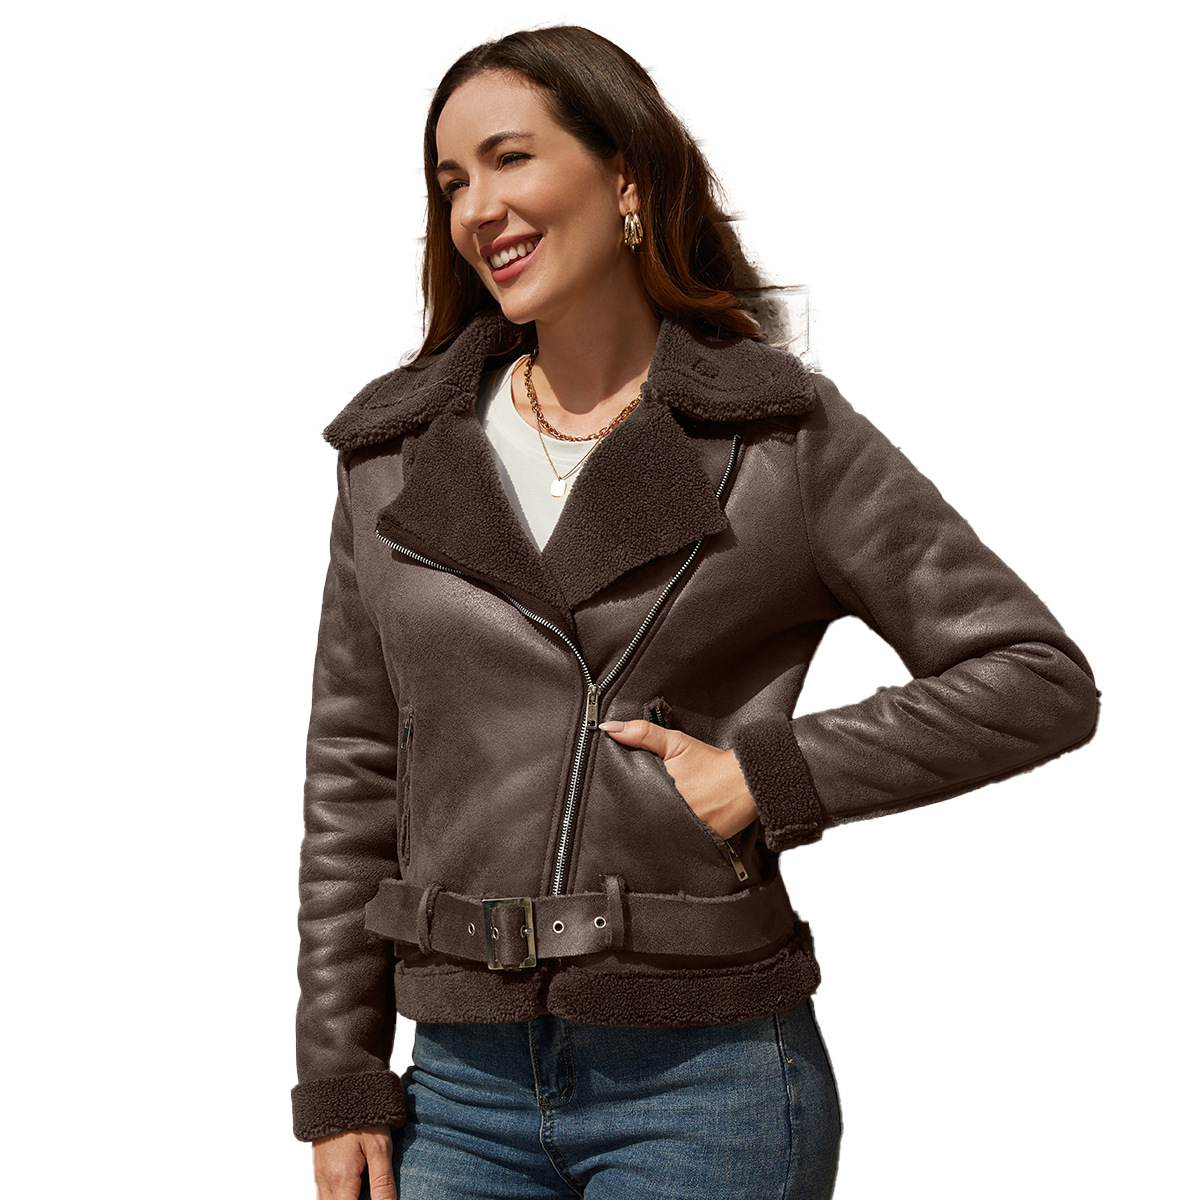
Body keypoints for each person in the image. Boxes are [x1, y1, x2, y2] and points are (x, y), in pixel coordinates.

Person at [291, 24, 1100, 1200]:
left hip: (705, 1085)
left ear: (624, 179)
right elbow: (354, 775)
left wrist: (769, 775)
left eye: (511, 158)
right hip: (456, 1092)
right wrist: (342, 1074)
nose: (477, 208)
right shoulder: (394, 455)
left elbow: (1034, 676)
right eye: (451, 181)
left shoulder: (776, 439)